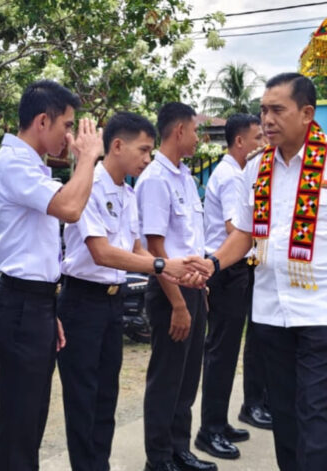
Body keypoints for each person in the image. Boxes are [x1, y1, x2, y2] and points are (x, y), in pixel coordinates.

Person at [189, 72, 327, 471]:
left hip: (325, 312)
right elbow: (245, 233)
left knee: (315, 413)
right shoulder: (256, 166)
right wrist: (212, 263)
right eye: (264, 110)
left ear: (307, 113)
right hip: (270, 311)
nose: (267, 119)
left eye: (277, 110)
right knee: (284, 414)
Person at [58, 111, 199, 471]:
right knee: (84, 400)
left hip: (112, 300)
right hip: (82, 301)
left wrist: (178, 272)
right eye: (144, 150)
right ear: (117, 146)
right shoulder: (89, 186)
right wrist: (162, 266)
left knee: (107, 397)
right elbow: (102, 252)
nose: (147, 158)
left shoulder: (128, 193)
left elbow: (137, 248)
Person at [0, 80, 104, 471]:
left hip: (35, 301)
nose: (70, 136)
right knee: (20, 425)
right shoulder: (14, 162)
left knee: (32, 417)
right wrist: (88, 158)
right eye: (66, 125)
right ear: (42, 121)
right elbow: (70, 208)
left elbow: (37, 248)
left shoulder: (32, 164)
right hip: (20, 302)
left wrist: (47, 308)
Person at [136, 102, 216, 471]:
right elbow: (156, 249)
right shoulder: (156, 179)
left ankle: (179, 449)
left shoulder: (184, 176)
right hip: (171, 292)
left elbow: (189, 241)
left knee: (187, 376)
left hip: (193, 288)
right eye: (196, 130)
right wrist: (179, 304)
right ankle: (159, 458)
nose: (199, 138)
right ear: (180, 130)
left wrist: (199, 289)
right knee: (167, 377)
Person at [197, 113, 267, 460]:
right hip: (225, 269)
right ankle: (209, 430)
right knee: (220, 353)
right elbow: (233, 228)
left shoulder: (236, 173)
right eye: (257, 138)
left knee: (227, 353)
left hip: (234, 268)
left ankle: (220, 422)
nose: (263, 144)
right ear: (240, 142)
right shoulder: (231, 177)